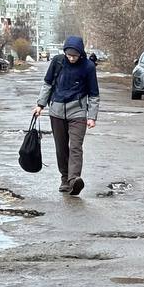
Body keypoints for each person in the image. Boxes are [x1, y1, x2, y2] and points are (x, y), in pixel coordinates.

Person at [33, 36, 100, 195]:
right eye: (69, 55)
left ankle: (74, 179)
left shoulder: (88, 67)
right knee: (61, 148)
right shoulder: (57, 62)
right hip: (56, 112)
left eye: (75, 56)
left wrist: (92, 116)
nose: (71, 58)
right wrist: (40, 105)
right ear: (64, 52)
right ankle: (65, 179)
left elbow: (94, 94)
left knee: (75, 147)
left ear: (81, 54)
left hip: (77, 113)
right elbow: (48, 85)